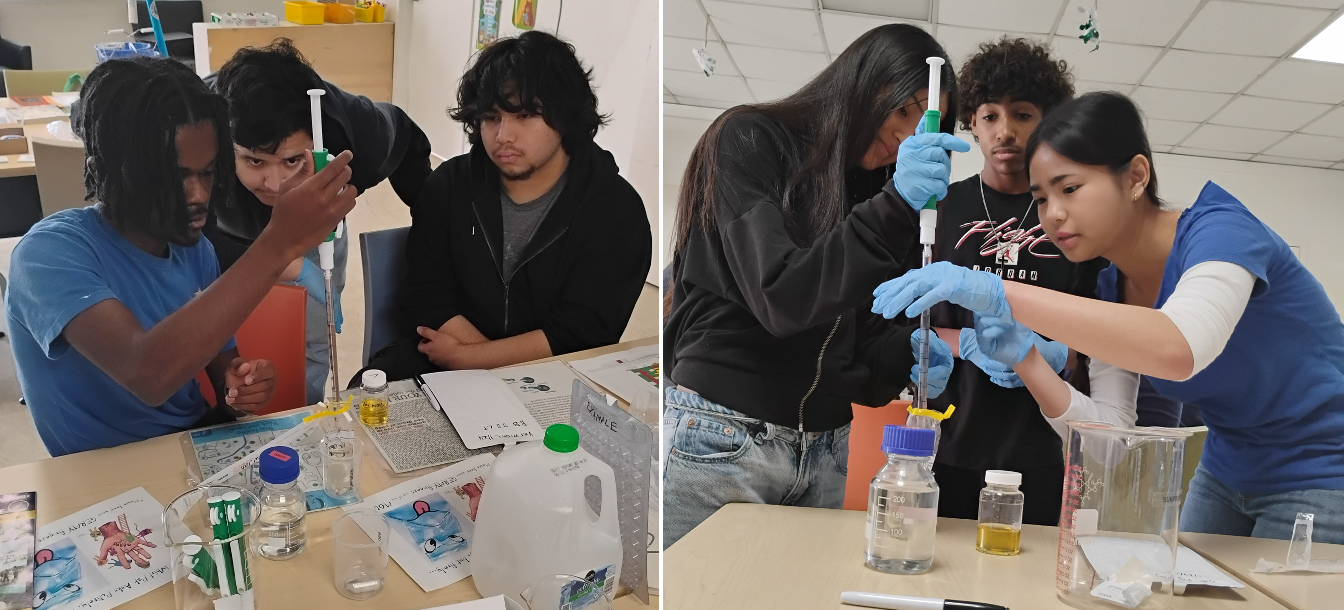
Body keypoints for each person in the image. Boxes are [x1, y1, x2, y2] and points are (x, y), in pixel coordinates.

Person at [873, 91, 1344, 543]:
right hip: (1228, 468)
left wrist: (997, 290)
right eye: (1040, 198)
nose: (1052, 215)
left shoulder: (1222, 233)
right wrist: (1028, 360)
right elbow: (1109, 442)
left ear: (1136, 175)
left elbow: (1177, 348)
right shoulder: (1110, 289)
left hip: (1324, 468)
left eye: (1071, 188)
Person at [662, 24, 970, 547]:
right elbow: (781, 297)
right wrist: (894, 207)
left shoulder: (875, 193)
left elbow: (857, 341)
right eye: (903, 110)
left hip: (826, 451)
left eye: (924, 124)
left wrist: (908, 355)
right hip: (724, 437)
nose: (906, 136)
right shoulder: (750, 140)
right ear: (862, 82)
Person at [6, 57, 357, 456]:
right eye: (174, 178)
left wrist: (241, 388)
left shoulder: (194, 250)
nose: (198, 195)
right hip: (102, 473)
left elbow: (223, 381)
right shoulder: (49, 254)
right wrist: (279, 244)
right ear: (107, 171)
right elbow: (148, 375)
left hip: (193, 446)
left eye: (207, 173)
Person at [359, 30, 651, 379]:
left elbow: (580, 333)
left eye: (525, 115)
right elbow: (428, 299)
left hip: (552, 375)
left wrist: (476, 360)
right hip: (442, 360)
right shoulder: (448, 186)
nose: (503, 136)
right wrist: (479, 364)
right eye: (491, 117)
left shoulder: (616, 212)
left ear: (566, 117)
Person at [916, 37, 1108, 526]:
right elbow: (910, 323)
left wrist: (1054, 352)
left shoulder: (1070, 216)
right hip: (947, 439)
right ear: (971, 126)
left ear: (1047, 123)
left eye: (1023, 115)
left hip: (1043, 443)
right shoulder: (939, 209)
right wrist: (971, 345)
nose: (1005, 132)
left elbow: (1098, 327)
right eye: (990, 116)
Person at [207, 39, 433, 404]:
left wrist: (431, 228)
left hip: (315, 225)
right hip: (224, 232)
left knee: (312, 339)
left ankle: (304, 408)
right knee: (226, 341)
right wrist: (290, 265)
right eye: (254, 162)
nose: (277, 185)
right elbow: (192, 242)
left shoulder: (359, 133)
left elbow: (407, 140)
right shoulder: (199, 138)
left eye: (293, 161)